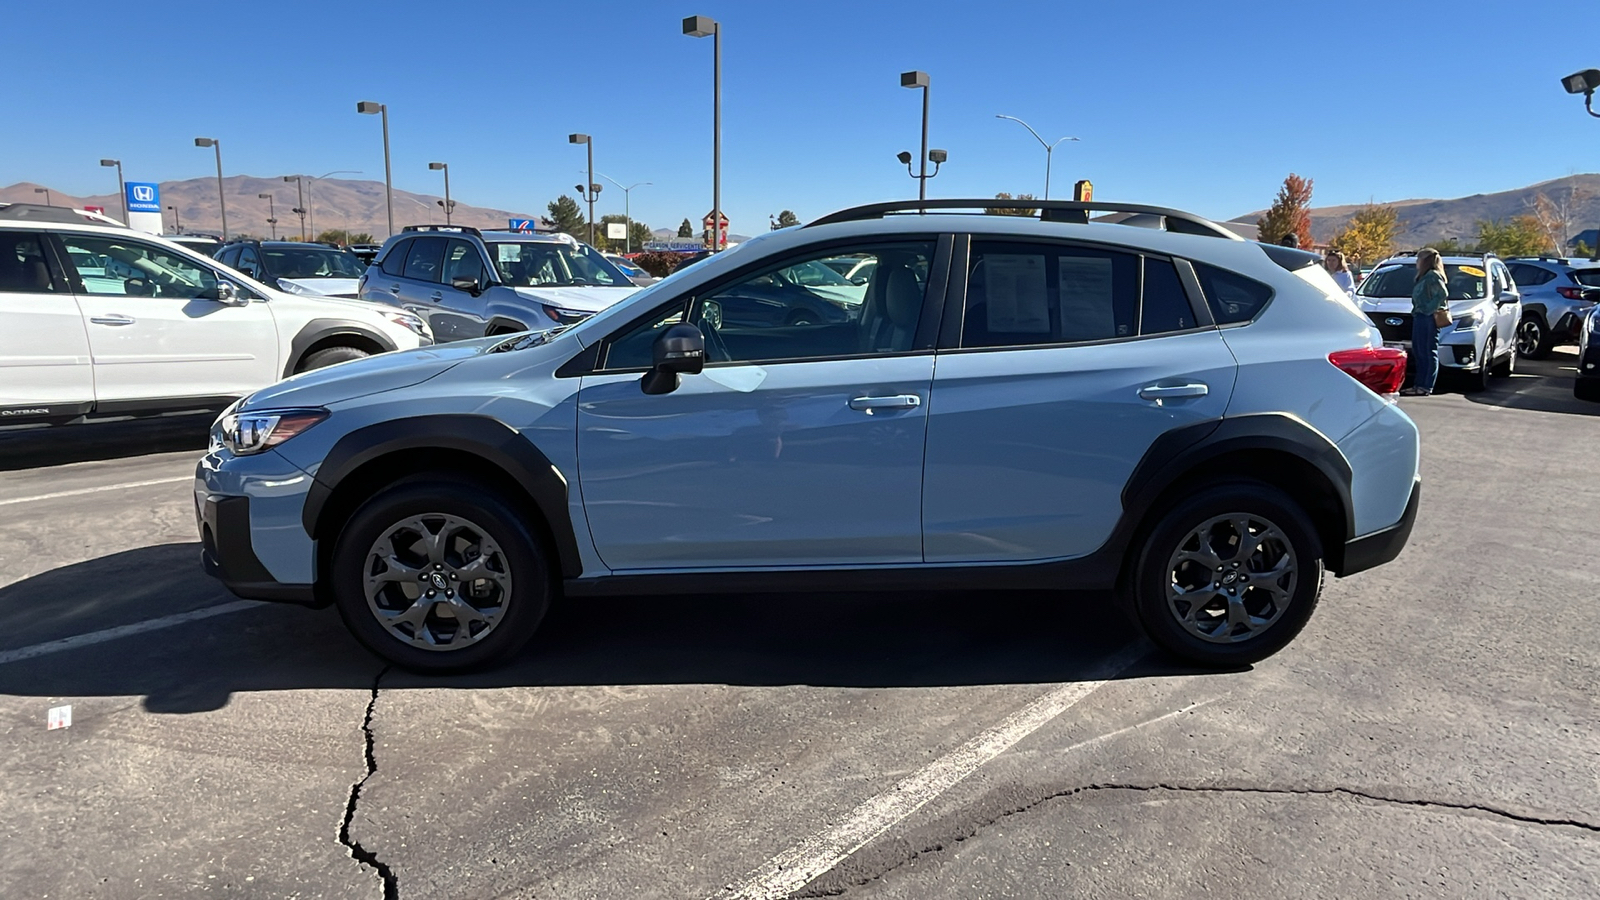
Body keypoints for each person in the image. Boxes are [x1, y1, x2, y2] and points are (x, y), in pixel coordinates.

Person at [1405, 248, 1449, 397]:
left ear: (1425, 261)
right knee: (1419, 351)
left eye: (1419, 259)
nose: (1417, 262)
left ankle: (1426, 385)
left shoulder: (1433, 276)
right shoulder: (1423, 277)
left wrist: (1429, 310)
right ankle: (1418, 383)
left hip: (1428, 318)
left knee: (1428, 351)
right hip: (1419, 316)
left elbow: (1442, 294)